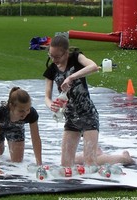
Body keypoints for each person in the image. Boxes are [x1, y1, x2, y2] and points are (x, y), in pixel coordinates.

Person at [43, 35, 100, 168]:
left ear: (66, 53)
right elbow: (47, 97)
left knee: (90, 164)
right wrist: (51, 105)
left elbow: (93, 67)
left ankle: (122, 158)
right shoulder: (51, 70)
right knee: (65, 165)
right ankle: (97, 154)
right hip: (71, 118)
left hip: (88, 115)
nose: (54, 60)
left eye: (57, 56)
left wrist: (71, 77)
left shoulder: (76, 58)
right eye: (51, 56)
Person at [0, 87, 42, 175]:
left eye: (27, 109)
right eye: (21, 111)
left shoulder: (31, 114)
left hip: (16, 126)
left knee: (17, 161)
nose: (25, 113)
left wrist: (39, 164)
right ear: (11, 106)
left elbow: (36, 139)